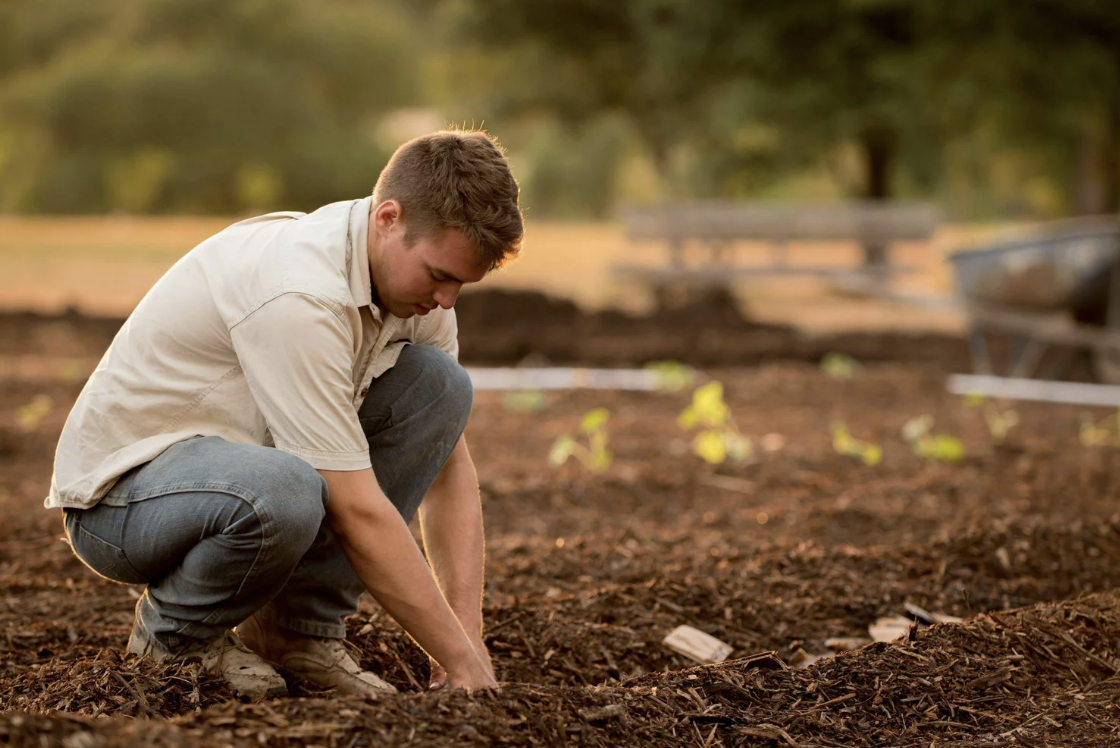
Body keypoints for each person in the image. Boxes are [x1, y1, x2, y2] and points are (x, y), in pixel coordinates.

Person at [46, 129, 523, 699]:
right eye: (440, 275)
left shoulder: (414, 295)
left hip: (240, 474)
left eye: (461, 284)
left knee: (440, 387)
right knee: (287, 489)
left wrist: (467, 639)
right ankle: (175, 640)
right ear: (388, 218)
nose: (447, 301)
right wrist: (455, 658)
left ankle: (296, 633)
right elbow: (356, 510)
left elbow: (448, 467)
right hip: (121, 501)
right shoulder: (299, 294)